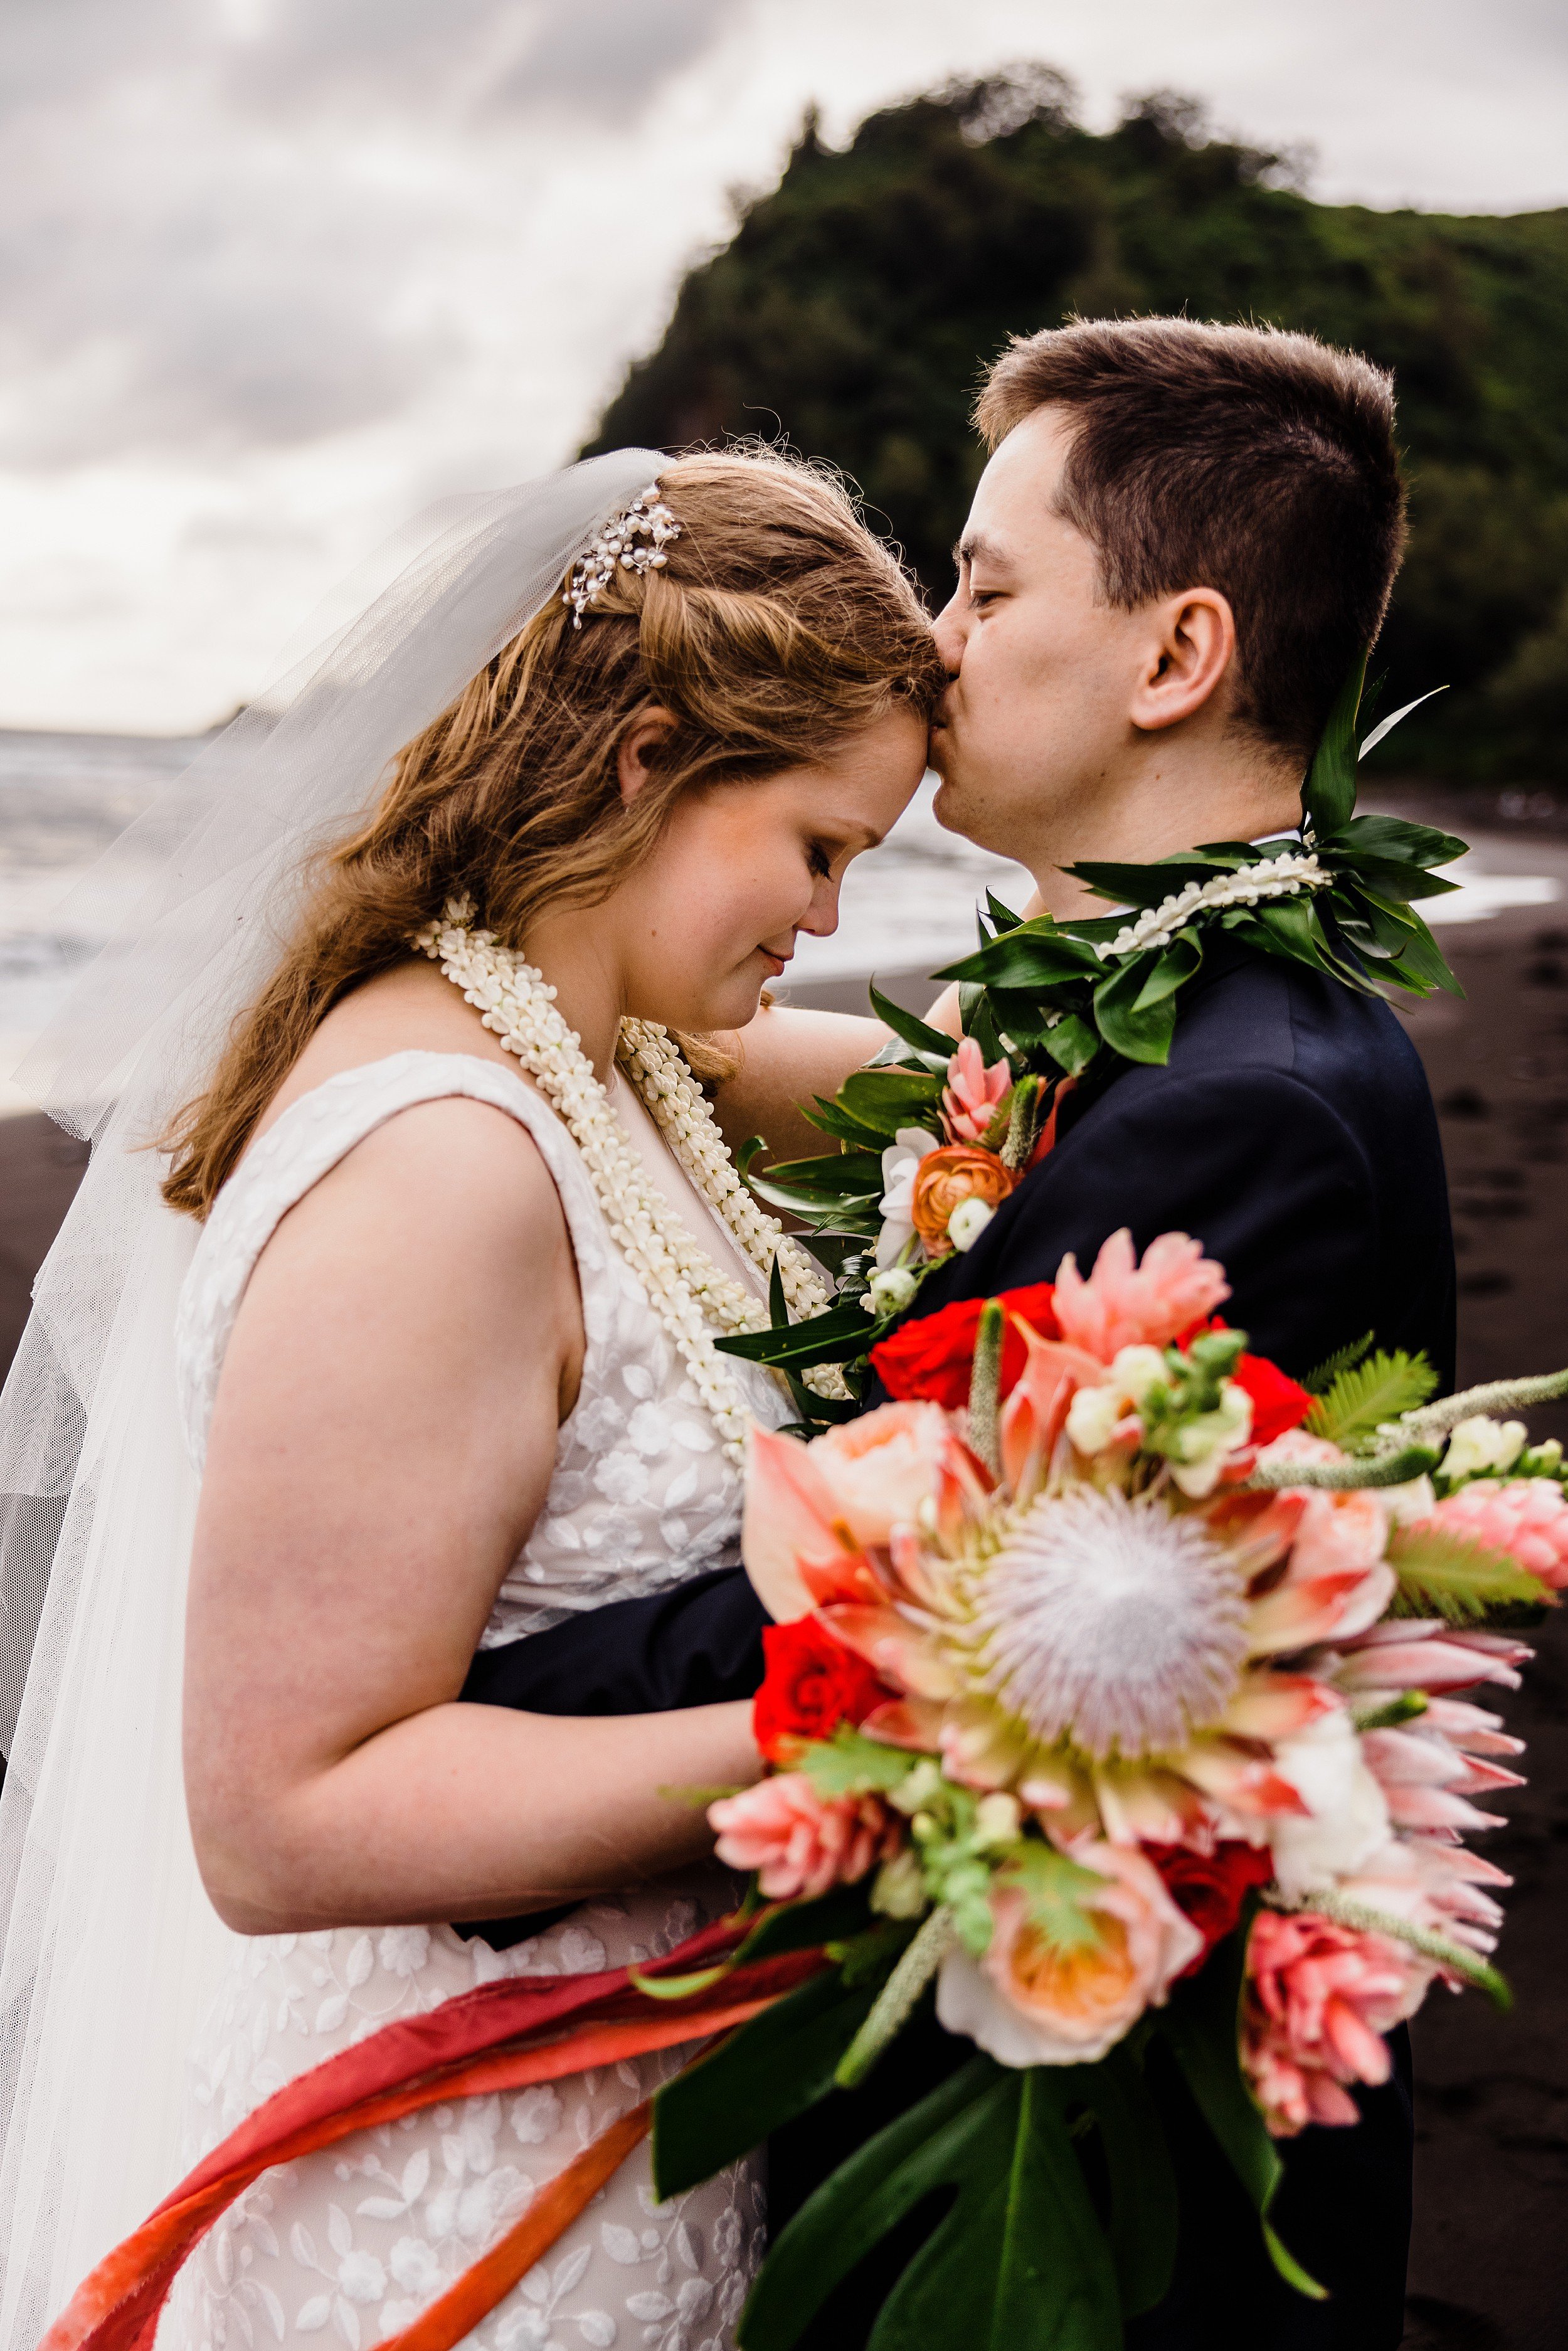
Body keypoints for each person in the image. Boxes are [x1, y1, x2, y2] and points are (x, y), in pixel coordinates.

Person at [484, 322, 1455, 2348]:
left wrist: (446, 1718)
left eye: (989, 587)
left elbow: (910, 1612)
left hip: (1082, 2177)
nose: (935, 647)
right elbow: (879, 1071)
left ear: (1173, 655)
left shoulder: (1228, 1101)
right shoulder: (1198, 1020)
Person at [0, 447, 941, 2351]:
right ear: (646, 758)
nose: (832, 920)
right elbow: (280, 1817)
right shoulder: (439, 1163)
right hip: (446, 2178)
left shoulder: (630, 1056)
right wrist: (890, 1732)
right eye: (821, 847)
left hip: (624, 2117)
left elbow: (978, 1071)